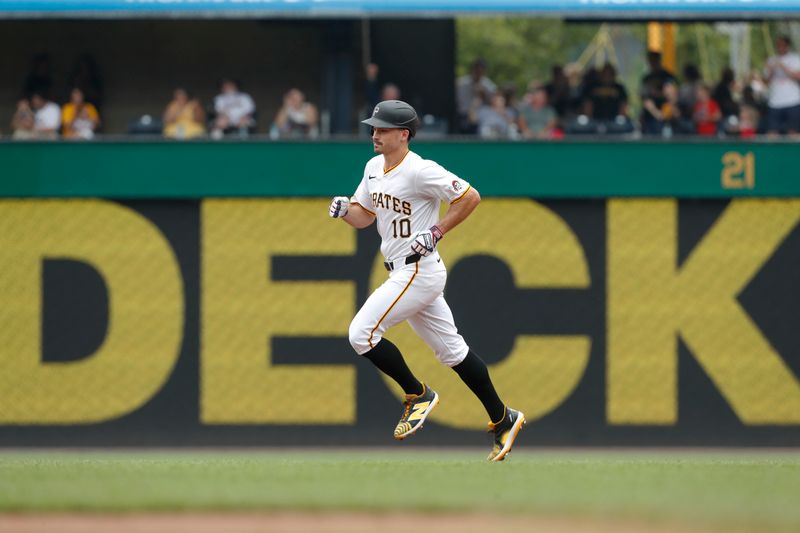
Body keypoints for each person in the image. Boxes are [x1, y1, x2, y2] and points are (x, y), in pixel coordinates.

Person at [328, 100, 525, 462]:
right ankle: (503, 418)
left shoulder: (420, 170)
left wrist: (436, 231)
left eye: (383, 129)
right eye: (374, 127)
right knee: (453, 352)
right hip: (403, 269)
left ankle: (417, 393)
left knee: (361, 334)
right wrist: (345, 210)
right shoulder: (373, 167)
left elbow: (469, 196)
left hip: (417, 268)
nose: (375, 133)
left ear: (403, 135)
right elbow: (364, 217)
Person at [764, 35, 800, 136]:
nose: (780, 47)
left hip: (793, 100)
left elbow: (798, 77)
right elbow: (766, 82)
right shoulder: (771, 60)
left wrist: (783, 66)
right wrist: (771, 70)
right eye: (778, 45)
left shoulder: (795, 59)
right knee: (772, 132)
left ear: (787, 45)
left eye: (782, 45)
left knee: (794, 132)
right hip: (775, 102)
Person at [455, 58, 497, 134]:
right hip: (461, 115)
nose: (478, 74)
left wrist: (483, 95)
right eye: (477, 71)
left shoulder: (488, 86)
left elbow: (494, 103)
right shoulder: (461, 83)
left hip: (480, 118)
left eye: (481, 72)